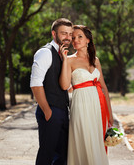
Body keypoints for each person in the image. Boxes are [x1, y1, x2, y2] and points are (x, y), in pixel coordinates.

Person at [59, 25, 113, 165]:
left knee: (96, 141)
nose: (75, 40)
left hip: (97, 107)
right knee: (83, 138)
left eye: (80, 36)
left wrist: (110, 114)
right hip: (80, 106)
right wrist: (64, 60)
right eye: (73, 37)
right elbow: (65, 86)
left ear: (88, 40)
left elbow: (104, 88)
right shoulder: (69, 60)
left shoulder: (95, 60)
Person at [30, 18, 73, 165]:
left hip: (62, 111)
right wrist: (47, 111)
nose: (67, 37)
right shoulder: (45, 53)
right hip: (51, 111)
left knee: (62, 155)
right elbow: (36, 84)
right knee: (47, 154)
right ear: (54, 34)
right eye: (63, 33)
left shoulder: (63, 54)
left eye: (70, 34)